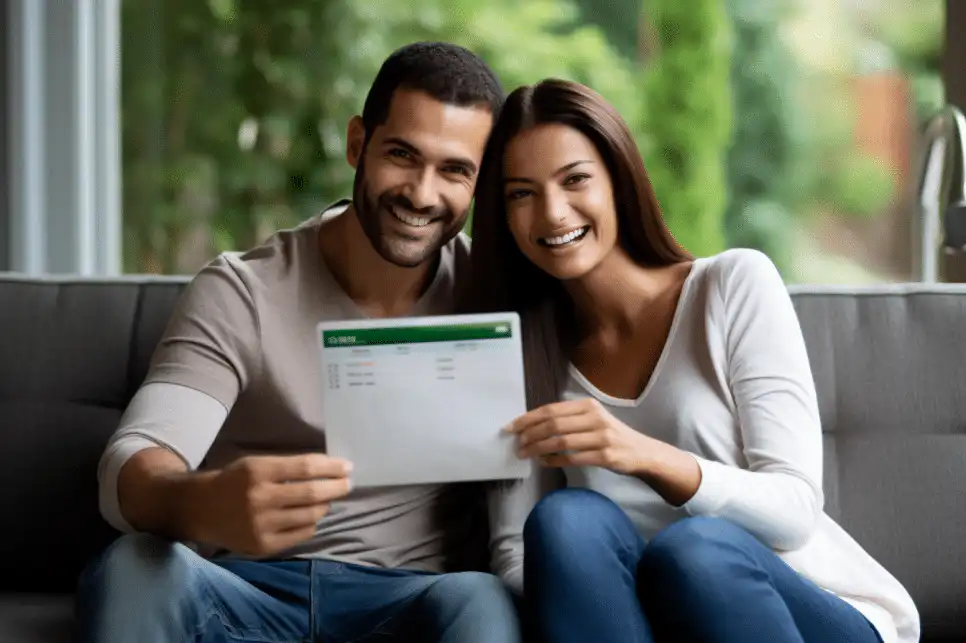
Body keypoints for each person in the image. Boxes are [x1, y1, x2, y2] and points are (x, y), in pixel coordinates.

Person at [73, 42, 540, 643]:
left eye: (454, 170)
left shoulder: (494, 301)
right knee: (132, 566)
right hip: (244, 594)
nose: (422, 194)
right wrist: (202, 502)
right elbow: (131, 464)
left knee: (481, 598)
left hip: (409, 603)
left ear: (479, 183)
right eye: (402, 155)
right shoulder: (243, 290)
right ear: (357, 145)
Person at [465, 78, 920, 643]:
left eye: (575, 179)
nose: (553, 213)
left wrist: (642, 454)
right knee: (564, 521)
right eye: (521, 193)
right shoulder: (525, 348)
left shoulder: (730, 285)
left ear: (618, 181)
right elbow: (514, 551)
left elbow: (795, 509)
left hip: (808, 608)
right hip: (646, 625)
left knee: (695, 548)